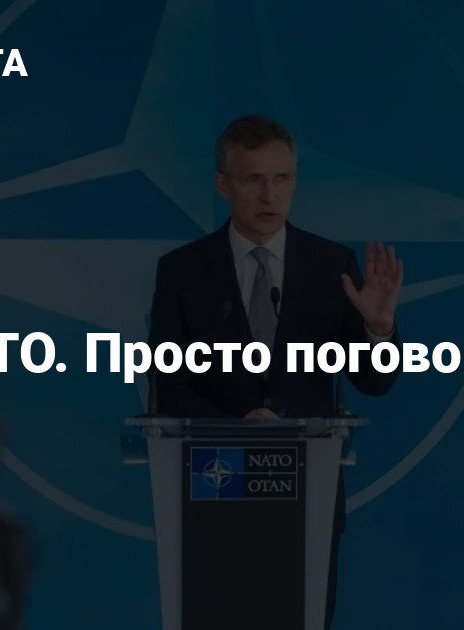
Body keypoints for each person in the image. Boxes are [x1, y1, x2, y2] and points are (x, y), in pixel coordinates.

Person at [147, 114, 403, 628]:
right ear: (223, 184)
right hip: (213, 488)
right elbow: (168, 387)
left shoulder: (331, 266)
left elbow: (373, 381)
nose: (270, 195)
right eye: (253, 179)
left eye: (282, 178)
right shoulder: (182, 270)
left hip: (306, 497)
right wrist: (237, 430)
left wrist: (378, 330)